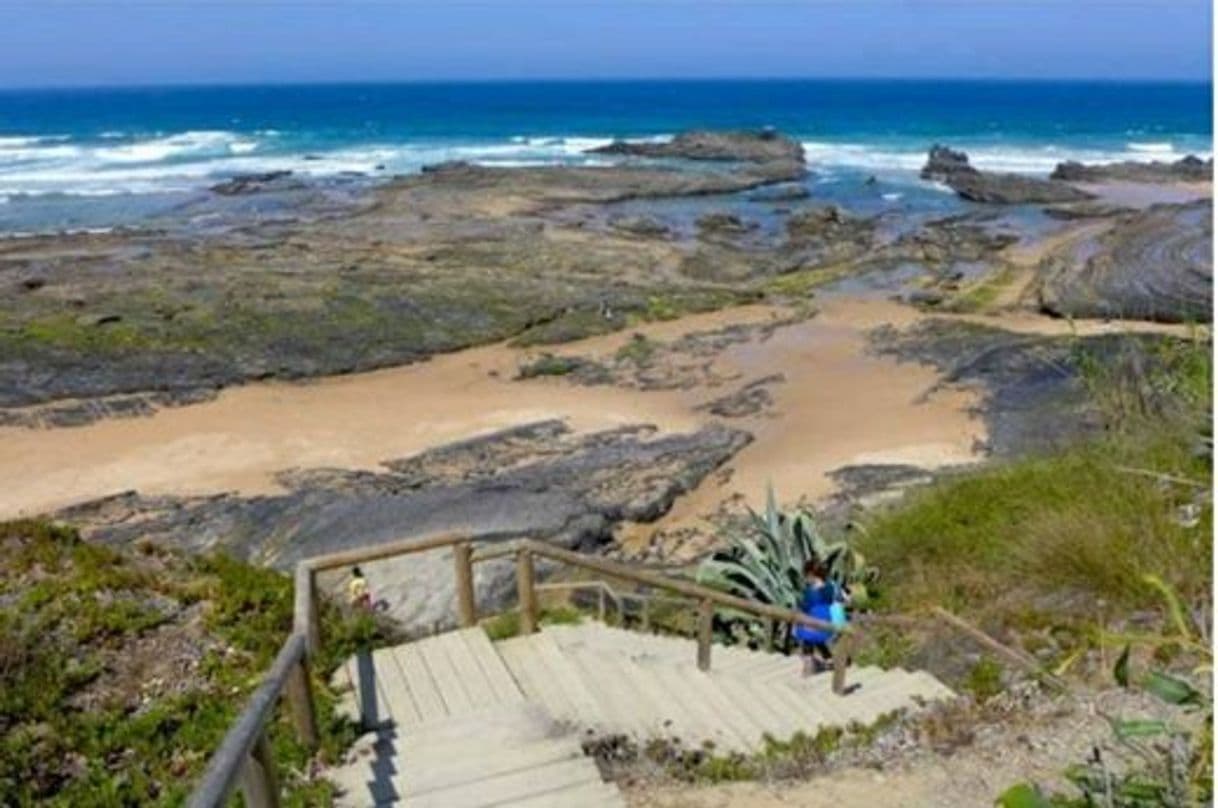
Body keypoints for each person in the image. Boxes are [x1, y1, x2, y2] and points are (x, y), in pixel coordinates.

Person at [793, 560, 848, 676]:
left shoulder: (810, 591)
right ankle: (828, 659)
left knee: (807, 634)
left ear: (811, 575)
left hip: (814, 625)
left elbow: (805, 607)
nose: (806, 579)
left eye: (806, 576)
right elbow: (842, 599)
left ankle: (809, 666)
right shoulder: (831, 586)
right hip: (829, 625)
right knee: (816, 635)